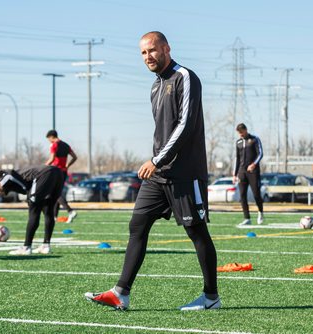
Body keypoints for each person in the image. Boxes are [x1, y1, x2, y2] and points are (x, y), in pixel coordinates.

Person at [85, 31, 220, 311]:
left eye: (152, 50)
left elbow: (185, 125)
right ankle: (121, 292)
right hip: (159, 174)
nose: (148, 57)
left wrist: (156, 159)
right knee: (137, 225)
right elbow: (162, 131)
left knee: (197, 232)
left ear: (166, 48)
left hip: (184, 174)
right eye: (143, 53)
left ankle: (210, 297)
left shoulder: (185, 77)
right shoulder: (155, 87)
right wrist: (157, 162)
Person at [0, 166, 65, 255]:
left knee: (34, 211)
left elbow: (10, 174)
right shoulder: (11, 186)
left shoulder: (5, 177)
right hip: (58, 173)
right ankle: (46, 246)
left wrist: (29, 196)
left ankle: (26, 247)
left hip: (45, 174)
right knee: (48, 210)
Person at [233, 123, 264, 226]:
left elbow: (260, 153)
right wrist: (235, 174)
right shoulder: (238, 142)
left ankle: (260, 212)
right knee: (242, 195)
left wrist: (254, 164)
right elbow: (237, 158)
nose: (240, 135)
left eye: (241, 132)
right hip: (242, 172)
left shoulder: (255, 139)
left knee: (256, 194)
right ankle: (247, 218)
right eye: (239, 133)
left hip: (253, 172)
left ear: (245, 130)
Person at [45, 130, 78, 223]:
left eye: (49, 139)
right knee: (56, 193)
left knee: (55, 193)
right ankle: (54, 217)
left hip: (55, 171)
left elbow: (51, 159)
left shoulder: (54, 145)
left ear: (51, 137)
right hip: (63, 172)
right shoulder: (66, 145)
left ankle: (70, 211)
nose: (49, 141)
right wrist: (67, 165)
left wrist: (43, 167)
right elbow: (75, 157)